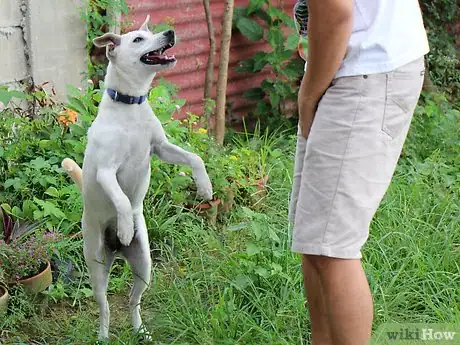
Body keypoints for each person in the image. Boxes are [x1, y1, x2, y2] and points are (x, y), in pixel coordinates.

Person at [288, 1, 429, 344]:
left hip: (363, 70)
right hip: (356, 64)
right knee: (314, 240)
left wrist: (308, 95)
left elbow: (336, 11)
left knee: (331, 248)